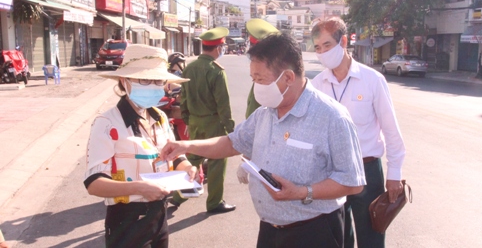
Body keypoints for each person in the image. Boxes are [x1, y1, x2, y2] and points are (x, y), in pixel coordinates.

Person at [161, 33, 366, 247]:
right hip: (270, 229)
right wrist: (185, 145)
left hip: (314, 232)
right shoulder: (266, 113)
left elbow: (353, 182)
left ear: (287, 77)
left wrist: (302, 192)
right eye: (253, 79)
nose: (256, 86)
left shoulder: (332, 117)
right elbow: (232, 142)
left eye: (260, 79)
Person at [83, 44, 198, 248]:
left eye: (158, 81)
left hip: (159, 216)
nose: (153, 86)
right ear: (124, 82)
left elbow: (174, 155)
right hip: (126, 221)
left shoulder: (160, 116)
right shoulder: (107, 123)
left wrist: (187, 168)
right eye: (145, 80)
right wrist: (139, 188)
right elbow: (94, 183)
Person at [310, 18, 406, 248]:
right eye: (317, 48)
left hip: (367, 170)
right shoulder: (316, 85)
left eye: (326, 45)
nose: (322, 52)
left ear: (343, 41)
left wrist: (395, 174)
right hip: (331, 173)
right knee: (337, 238)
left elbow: (391, 130)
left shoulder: (372, 80)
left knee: (371, 238)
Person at [169, 27, 236, 214]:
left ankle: (177, 196)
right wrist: (231, 130)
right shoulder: (216, 71)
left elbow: (184, 99)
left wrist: (188, 121)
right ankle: (214, 202)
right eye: (222, 46)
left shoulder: (189, 68)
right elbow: (223, 105)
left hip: (195, 123)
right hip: (214, 124)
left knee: (192, 160)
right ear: (218, 48)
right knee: (216, 163)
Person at [237, 19, 280, 185]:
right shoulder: (268, 78)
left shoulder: (267, 84)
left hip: (266, 156)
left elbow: (259, 126)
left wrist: (246, 159)